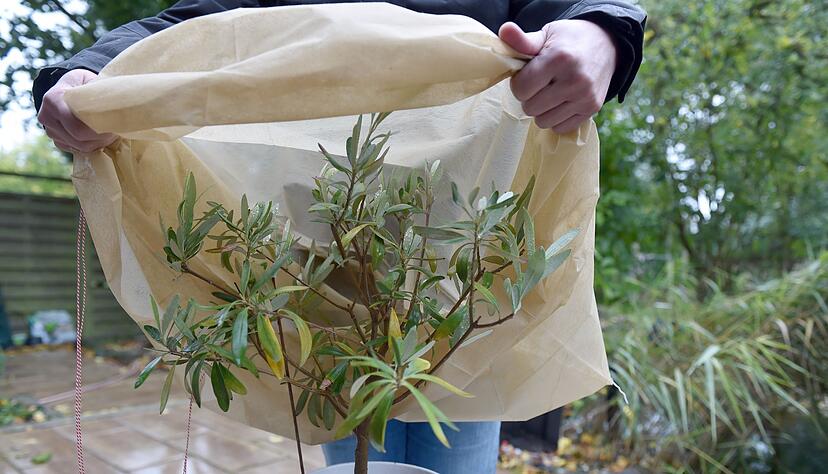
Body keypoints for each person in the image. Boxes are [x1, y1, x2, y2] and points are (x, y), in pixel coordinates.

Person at [32, 1, 646, 472]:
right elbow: (198, 24)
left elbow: (571, 9)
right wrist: (91, 72)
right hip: (319, 279)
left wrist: (601, 31)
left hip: (463, 281)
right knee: (343, 428)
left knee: (456, 434)